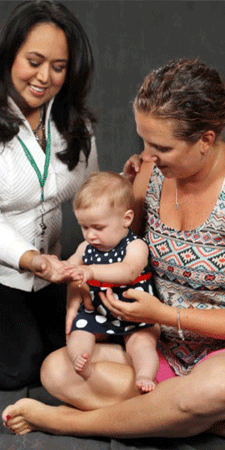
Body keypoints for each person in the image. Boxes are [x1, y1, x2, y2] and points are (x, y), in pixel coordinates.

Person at [3, 58, 225, 439]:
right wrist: (80, 283)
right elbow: (118, 246)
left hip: (215, 354)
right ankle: (192, 416)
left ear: (205, 139)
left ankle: (67, 422)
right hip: (156, 347)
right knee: (57, 370)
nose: (148, 155)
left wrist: (166, 313)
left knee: (211, 388)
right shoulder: (152, 174)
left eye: (162, 147)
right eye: (143, 141)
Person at [0, 0, 98, 390]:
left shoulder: (77, 123)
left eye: (58, 67)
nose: (45, 77)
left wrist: (124, 184)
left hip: (51, 273)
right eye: (34, 61)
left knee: (70, 351)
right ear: (9, 55)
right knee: (18, 372)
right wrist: (29, 260)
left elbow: (91, 194)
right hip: (6, 271)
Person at [66, 171, 159, 393]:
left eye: (98, 227)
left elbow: (127, 272)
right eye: (84, 227)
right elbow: (69, 267)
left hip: (135, 313)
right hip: (98, 311)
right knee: (78, 332)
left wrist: (90, 271)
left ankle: (145, 375)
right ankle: (81, 359)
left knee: (142, 344)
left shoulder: (135, 246)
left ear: (126, 219)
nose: (90, 236)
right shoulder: (85, 248)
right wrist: (59, 269)